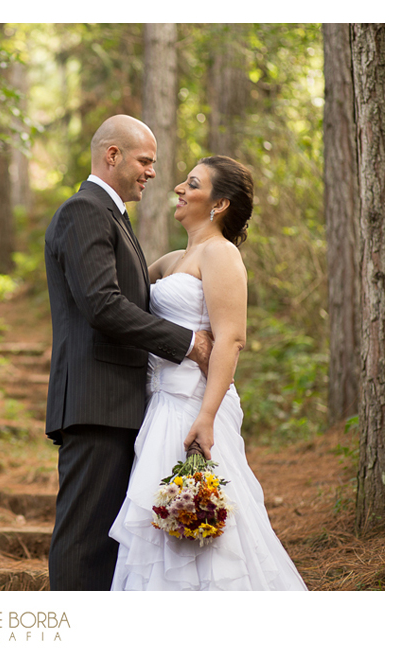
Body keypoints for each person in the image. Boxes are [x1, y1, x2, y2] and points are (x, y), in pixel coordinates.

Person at [108, 155, 307, 590]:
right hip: (158, 405)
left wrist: (207, 416)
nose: (179, 187)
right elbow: (120, 294)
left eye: (192, 184)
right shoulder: (175, 258)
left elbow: (231, 339)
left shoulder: (222, 254)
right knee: (161, 526)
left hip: (194, 407)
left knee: (205, 528)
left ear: (218, 205)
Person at [44, 115, 213, 590]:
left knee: (106, 542)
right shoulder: (85, 210)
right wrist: (186, 343)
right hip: (96, 404)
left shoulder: (111, 215)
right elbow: (102, 304)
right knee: (85, 539)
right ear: (112, 155)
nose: (153, 172)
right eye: (145, 160)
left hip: (118, 405)